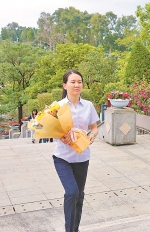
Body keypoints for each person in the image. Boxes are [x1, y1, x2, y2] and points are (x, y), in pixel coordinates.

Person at [53, 69, 99, 232]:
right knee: (72, 192)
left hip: (82, 157)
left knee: (79, 195)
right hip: (62, 157)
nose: (76, 85)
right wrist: (60, 136)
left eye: (79, 82)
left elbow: (94, 128)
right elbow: (50, 130)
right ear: (65, 85)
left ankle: (75, 228)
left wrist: (92, 136)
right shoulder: (57, 107)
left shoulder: (88, 105)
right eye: (72, 82)